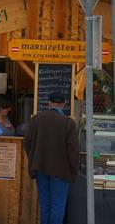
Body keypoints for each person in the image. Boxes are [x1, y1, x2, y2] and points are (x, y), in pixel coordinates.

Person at [24, 91, 79, 224]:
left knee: (45, 204)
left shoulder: (36, 119)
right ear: (64, 104)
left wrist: (34, 159)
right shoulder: (68, 123)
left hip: (41, 168)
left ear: (48, 103)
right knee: (58, 205)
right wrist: (74, 169)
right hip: (61, 170)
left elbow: (27, 142)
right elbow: (73, 150)